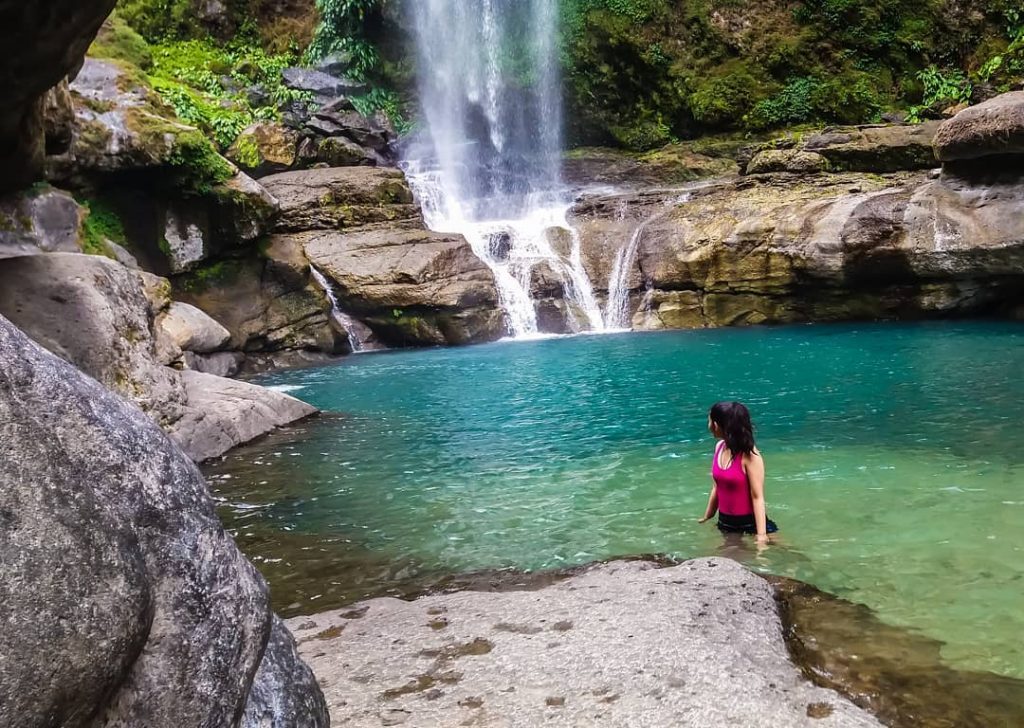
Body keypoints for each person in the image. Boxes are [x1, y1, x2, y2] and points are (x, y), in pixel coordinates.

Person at [698, 401, 778, 544]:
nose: (708, 425)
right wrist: (708, 516)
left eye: (709, 420)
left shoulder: (750, 456)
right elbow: (717, 487)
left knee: (783, 553)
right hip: (725, 521)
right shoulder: (719, 447)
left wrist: (761, 535)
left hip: (750, 522)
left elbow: (757, 497)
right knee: (732, 555)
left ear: (716, 425)